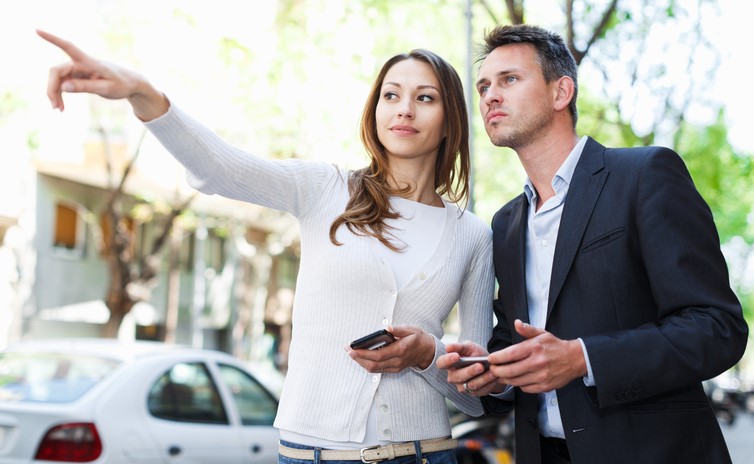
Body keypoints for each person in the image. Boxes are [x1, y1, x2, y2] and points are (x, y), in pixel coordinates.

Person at [38, 30, 494, 464]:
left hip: (424, 452)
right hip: (309, 452)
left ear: (450, 117)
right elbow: (218, 168)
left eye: (425, 98)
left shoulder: (474, 236)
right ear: (374, 110)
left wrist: (428, 354)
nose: (404, 110)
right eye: (391, 95)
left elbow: (477, 394)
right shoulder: (325, 189)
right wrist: (142, 92)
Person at [437, 24, 749, 464]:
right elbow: (517, 342)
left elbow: (717, 328)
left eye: (509, 79)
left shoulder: (645, 175)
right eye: (484, 85)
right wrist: (493, 372)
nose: (489, 96)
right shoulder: (506, 223)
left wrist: (584, 359)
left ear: (561, 91)